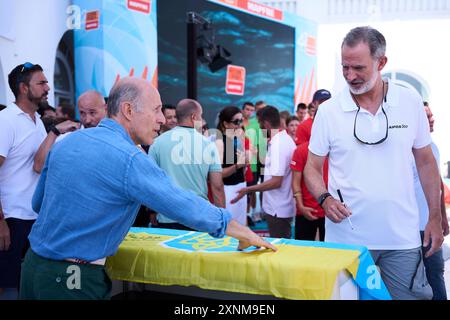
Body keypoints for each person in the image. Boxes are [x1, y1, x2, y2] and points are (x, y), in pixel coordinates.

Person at [19, 77, 276, 300]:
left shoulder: (67, 143)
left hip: (32, 267)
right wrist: (238, 230)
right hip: (72, 279)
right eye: (155, 110)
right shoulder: (129, 158)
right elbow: (181, 203)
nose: (162, 118)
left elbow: (38, 203)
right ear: (129, 110)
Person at [304, 26, 443, 300]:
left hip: (401, 239)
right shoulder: (329, 112)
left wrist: (436, 217)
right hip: (346, 241)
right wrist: (324, 198)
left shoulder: (409, 101)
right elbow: (312, 167)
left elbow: (426, 163)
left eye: (358, 68)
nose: (350, 76)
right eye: (345, 67)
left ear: (382, 63)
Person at [0, 63, 49, 299]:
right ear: (23, 88)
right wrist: (0, 222)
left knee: (26, 286)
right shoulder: (5, 120)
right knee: (6, 286)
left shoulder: (37, 120)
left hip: (33, 219)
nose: (47, 87)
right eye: (41, 83)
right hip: (10, 219)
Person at [149, 99, 225, 230]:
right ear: (194, 117)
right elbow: (217, 186)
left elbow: (150, 182)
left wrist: (151, 211)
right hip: (198, 216)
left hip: (167, 216)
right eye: (200, 116)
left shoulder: (156, 143)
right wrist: (222, 219)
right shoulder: (208, 145)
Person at [232, 106, 296, 239]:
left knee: (279, 250)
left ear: (266, 123)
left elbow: (276, 182)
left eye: (260, 124)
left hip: (278, 210)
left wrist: (248, 189)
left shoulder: (279, 144)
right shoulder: (282, 140)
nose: (259, 128)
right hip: (279, 208)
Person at [413, 103, 449, 300]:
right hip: (410, 227)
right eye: (427, 117)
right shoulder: (406, 148)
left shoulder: (432, 146)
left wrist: (442, 217)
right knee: (412, 282)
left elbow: (438, 184)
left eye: (432, 115)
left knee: (435, 274)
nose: (432, 119)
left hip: (428, 226)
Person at [32, 90, 106, 173]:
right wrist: (54, 131)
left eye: (92, 112)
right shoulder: (68, 137)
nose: (87, 120)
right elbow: (39, 167)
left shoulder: (117, 137)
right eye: (82, 113)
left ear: (105, 109)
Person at [215, 106, 249, 225]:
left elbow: (242, 167)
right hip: (228, 190)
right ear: (225, 123)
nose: (240, 125)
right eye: (236, 122)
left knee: (241, 226)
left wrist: (245, 163)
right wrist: (238, 165)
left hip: (241, 186)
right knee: (231, 229)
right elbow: (218, 174)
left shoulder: (237, 139)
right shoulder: (220, 142)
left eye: (241, 121)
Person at [291, 141, 328, 241]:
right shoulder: (301, 150)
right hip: (307, 210)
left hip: (331, 211)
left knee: (332, 252)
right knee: (302, 252)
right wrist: (301, 206)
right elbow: (296, 181)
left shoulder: (336, 149)